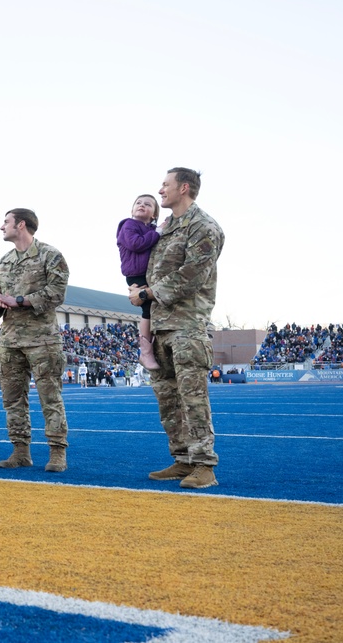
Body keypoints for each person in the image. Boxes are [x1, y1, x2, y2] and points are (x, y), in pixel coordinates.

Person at [129, 167, 224, 489]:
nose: (160, 190)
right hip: (161, 325)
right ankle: (182, 459)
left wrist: (148, 293)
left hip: (188, 326)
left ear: (184, 188)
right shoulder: (165, 227)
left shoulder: (204, 226)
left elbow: (193, 273)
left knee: (193, 399)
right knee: (167, 399)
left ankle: (204, 466)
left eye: (165, 185)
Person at [0, 209, 71, 472]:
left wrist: (20, 300)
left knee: (50, 397)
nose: (2, 226)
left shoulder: (50, 255)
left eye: (6, 222)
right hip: (10, 340)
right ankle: (20, 450)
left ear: (21, 225)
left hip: (43, 339)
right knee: (12, 399)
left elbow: (57, 292)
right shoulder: (4, 261)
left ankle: (57, 452)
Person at [117, 194, 162, 370]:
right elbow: (136, 244)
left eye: (148, 204)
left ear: (154, 215)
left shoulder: (153, 229)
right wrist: (157, 233)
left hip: (151, 274)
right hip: (137, 274)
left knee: (155, 307)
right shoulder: (128, 225)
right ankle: (146, 352)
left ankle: (153, 346)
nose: (142, 205)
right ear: (132, 209)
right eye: (138, 203)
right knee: (147, 309)